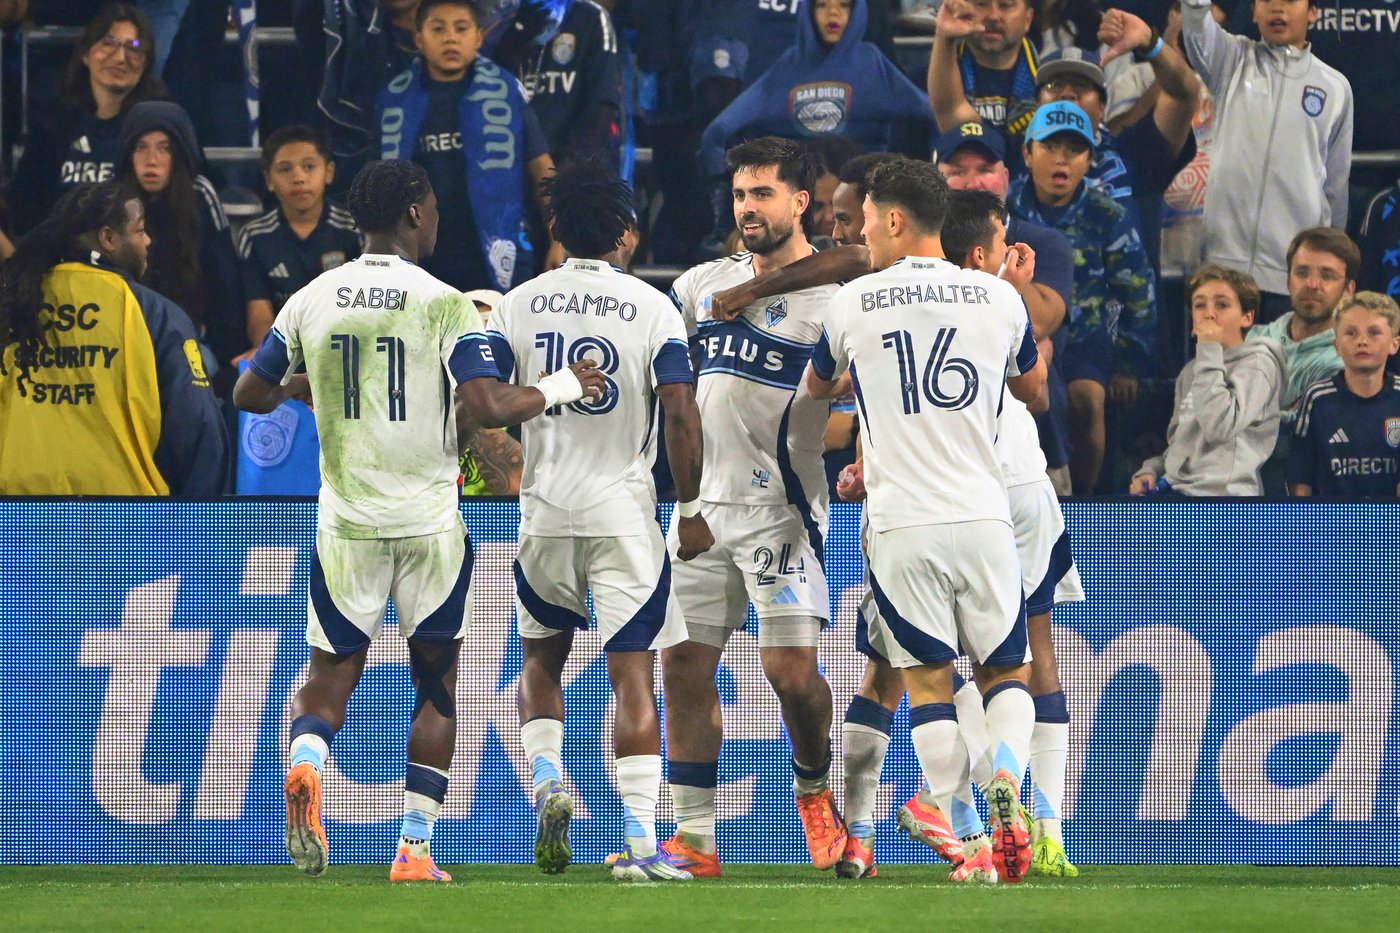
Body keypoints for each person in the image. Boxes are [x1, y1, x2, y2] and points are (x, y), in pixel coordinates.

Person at [232, 159, 605, 883]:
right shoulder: (442, 303)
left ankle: (306, 760)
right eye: (431, 208)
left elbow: (250, 389)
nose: (435, 220)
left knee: (330, 673)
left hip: (345, 524)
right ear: (411, 214)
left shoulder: (311, 297)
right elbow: (491, 406)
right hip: (428, 525)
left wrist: (328, 388)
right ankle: (413, 849)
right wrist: (563, 384)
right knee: (435, 686)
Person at [833, 188, 1084, 882]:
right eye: (1004, 244)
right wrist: (1011, 289)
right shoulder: (1000, 304)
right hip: (1007, 499)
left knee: (916, 680)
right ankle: (1040, 818)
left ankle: (957, 827)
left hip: (908, 513)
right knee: (1020, 662)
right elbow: (1034, 388)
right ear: (981, 253)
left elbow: (837, 392)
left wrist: (857, 459)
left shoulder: (864, 302)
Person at [483, 160, 711, 881]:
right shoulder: (653, 308)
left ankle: (548, 776)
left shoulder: (518, 304)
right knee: (633, 677)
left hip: (544, 513)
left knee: (539, 660)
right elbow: (679, 409)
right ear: (624, 232)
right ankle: (641, 843)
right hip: (621, 515)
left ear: (553, 230)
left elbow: (486, 400)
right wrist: (694, 505)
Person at [662, 137, 845, 877]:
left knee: (791, 673)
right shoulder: (701, 284)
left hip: (783, 510)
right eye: (740, 194)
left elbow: (850, 411)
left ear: (800, 203)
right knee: (681, 664)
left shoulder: (834, 299)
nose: (748, 208)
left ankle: (812, 785)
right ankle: (695, 840)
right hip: (703, 508)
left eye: (763, 193)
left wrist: (826, 430)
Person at [0, 182, 228, 495]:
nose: (147, 241)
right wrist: (197, 527)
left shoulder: (15, 304)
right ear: (109, 238)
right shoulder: (154, 313)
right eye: (140, 230)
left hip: (16, 517)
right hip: (121, 519)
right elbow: (197, 430)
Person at [1011, 100, 1156, 493]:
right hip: (1020, 336)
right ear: (1027, 153)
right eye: (1050, 147)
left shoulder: (1107, 213)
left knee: (1088, 401)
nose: (1062, 160)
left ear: (1090, 159)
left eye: (1074, 150)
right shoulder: (1007, 209)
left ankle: (1084, 502)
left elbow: (1138, 292)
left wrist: (1129, 363)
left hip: (1085, 338)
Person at [1180, 0, 1353, 319]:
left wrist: (1328, 266)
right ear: (1254, 12)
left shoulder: (1335, 87)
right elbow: (1195, 28)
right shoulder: (1231, 59)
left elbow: (1335, 189)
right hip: (1223, 272)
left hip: (1294, 281)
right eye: (1267, 0)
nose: (1277, 8)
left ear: (1313, 12)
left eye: (1289, 0)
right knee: (1218, 370)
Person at [377, 0, 562, 293]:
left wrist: (558, 238)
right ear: (419, 39)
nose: (450, 37)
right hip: (424, 255)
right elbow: (376, 184)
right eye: (438, 29)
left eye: (461, 28)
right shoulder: (393, 100)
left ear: (478, 37)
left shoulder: (506, 91)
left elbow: (542, 168)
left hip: (501, 250)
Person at [696, 0, 934, 185]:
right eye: (822, 5)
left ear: (858, 11)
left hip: (863, 193)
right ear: (808, 11)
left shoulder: (872, 62)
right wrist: (720, 171)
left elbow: (935, 114)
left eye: (843, 5)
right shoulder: (788, 65)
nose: (833, 13)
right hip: (797, 194)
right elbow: (719, 130)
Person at [1035, 9, 1201, 274]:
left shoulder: (1131, 153)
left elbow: (1183, 94)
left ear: (1102, 107)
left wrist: (1151, 43)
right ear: (1036, 104)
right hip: (1040, 311)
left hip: (1129, 310)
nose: (1067, 93)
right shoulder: (1018, 159)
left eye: (1081, 85)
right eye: (1055, 84)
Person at [1130, 264, 1285, 496]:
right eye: (1199, 305)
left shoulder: (1259, 365)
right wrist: (1151, 470)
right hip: (1178, 491)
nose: (1209, 313)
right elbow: (1181, 444)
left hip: (1225, 499)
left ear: (1247, 317)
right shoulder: (1192, 370)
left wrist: (1209, 349)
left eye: (1222, 305)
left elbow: (1220, 427)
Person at [9, 3, 165, 233]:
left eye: (134, 47)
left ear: (147, 62)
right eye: (108, 43)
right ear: (86, 54)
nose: (121, 57)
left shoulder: (160, 126)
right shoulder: (54, 127)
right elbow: (25, 208)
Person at [116, 100, 245, 377]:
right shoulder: (111, 201)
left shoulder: (200, 195)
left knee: (196, 369)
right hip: (121, 340)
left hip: (185, 340)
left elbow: (224, 281)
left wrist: (227, 358)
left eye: (165, 148)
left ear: (181, 153)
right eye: (141, 147)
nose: (152, 160)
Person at [238, 126, 363, 353]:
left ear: (329, 172)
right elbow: (259, 314)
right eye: (285, 169)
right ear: (268, 179)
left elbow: (369, 312)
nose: (298, 178)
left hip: (348, 349)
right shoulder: (255, 236)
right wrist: (268, 354)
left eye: (309, 167)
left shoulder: (356, 230)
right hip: (285, 351)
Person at [1288, 293, 1400, 498]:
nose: (1362, 341)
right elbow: (1300, 473)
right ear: (1337, 346)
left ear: (1394, 344)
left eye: (1374, 332)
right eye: (1351, 332)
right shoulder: (1317, 398)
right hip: (1332, 522)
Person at [1248, 227, 1356, 421]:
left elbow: (1302, 432)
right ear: (1289, 281)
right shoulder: (1254, 336)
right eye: (1302, 272)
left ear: (1348, 290)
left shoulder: (1344, 362)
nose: (1312, 284)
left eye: (1327, 275)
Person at [499, 0, 623, 166]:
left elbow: (601, 104)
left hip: (573, 165)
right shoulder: (504, 21)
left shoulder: (591, 17)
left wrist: (573, 168)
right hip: (515, 164)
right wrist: (515, 35)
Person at [926, 0, 1039, 146]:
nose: (993, 16)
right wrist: (944, 36)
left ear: (1028, 19)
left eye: (1005, 5)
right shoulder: (925, 82)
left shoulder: (1052, 85)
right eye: (981, 3)